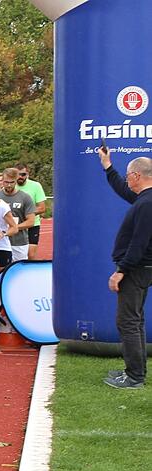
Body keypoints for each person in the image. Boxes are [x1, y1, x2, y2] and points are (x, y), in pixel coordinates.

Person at [97, 148, 152, 389]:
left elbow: (139, 242)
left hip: (137, 269)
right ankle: (136, 372)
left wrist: (121, 270)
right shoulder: (145, 200)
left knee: (127, 321)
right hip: (142, 268)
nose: (127, 179)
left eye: (129, 175)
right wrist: (108, 166)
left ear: (138, 176)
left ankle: (134, 377)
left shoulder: (146, 204)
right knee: (135, 320)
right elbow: (122, 188)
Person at [0, 168, 35, 263]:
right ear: (2, 181)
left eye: (12, 182)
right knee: (0, 271)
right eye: (6, 182)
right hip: (0, 242)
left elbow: (31, 221)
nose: (9, 185)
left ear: (16, 181)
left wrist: (13, 227)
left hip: (19, 242)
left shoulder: (25, 197)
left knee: (19, 270)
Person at [15, 163, 48, 260]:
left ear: (27, 174)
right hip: (15, 224)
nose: (20, 177)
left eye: (23, 174)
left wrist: (28, 214)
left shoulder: (35, 186)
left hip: (32, 225)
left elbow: (42, 208)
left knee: (30, 255)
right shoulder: (10, 186)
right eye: (18, 174)